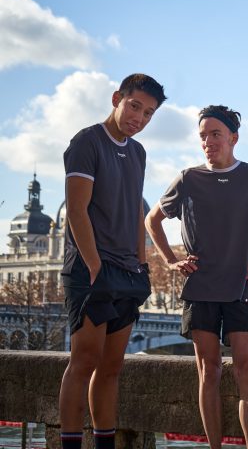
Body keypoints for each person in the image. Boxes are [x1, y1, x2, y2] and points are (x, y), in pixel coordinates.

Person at [145, 105, 248, 449]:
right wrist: (171, 260)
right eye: (203, 136)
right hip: (199, 287)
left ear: (233, 138)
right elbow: (152, 221)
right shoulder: (188, 178)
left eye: (215, 134)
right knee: (209, 372)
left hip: (241, 287)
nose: (208, 141)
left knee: (247, 370)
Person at [58, 73, 166, 449]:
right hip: (92, 271)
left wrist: (142, 263)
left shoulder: (137, 152)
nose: (139, 117)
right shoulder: (86, 142)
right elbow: (76, 209)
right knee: (84, 360)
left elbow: (137, 213)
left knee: (112, 367)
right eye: (134, 106)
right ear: (117, 98)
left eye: (148, 113)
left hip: (128, 272)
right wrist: (94, 266)